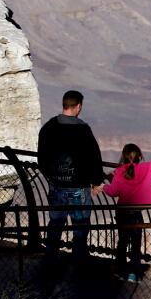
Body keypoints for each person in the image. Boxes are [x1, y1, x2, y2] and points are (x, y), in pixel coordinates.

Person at [37, 90, 104, 259]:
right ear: (78, 106)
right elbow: (94, 158)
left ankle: (50, 259)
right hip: (79, 187)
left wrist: (52, 177)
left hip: (57, 186)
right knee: (80, 226)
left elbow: (42, 158)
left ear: (64, 104)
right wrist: (96, 182)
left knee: (56, 224)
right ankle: (78, 262)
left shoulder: (49, 128)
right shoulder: (83, 130)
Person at [103, 143, 151, 282]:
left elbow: (113, 192)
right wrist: (146, 167)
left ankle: (119, 271)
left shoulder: (119, 172)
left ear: (123, 157)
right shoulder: (144, 170)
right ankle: (134, 274)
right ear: (139, 157)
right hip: (136, 213)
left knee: (122, 242)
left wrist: (104, 187)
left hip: (122, 213)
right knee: (136, 244)